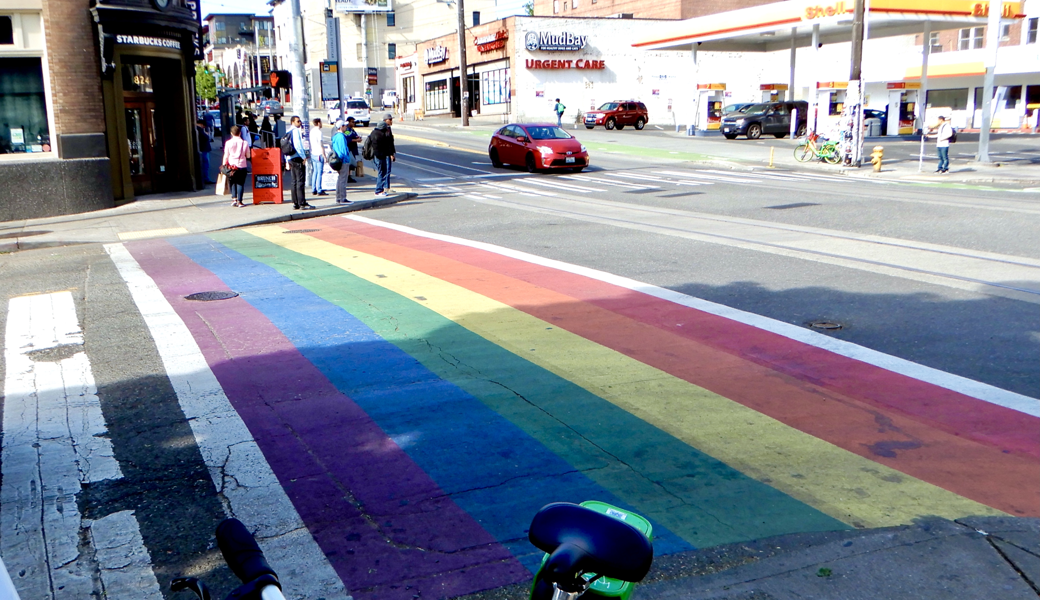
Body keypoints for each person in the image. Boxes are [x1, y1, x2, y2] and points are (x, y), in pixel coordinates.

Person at [284, 115, 314, 209]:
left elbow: (285, 146)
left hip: (291, 158)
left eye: (300, 121)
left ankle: (295, 203)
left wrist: (287, 160)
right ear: (293, 122)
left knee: (294, 181)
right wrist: (303, 157)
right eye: (298, 121)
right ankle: (302, 203)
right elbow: (297, 145)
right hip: (297, 158)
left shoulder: (288, 132)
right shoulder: (295, 131)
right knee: (300, 181)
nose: (300, 122)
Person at [222, 125, 251, 207]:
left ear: (231, 133)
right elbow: (248, 156)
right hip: (241, 165)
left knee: (232, 182)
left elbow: (226, 155)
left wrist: (224, 165)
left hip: (231, 166)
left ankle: (234, 199)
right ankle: (240, 201)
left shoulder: (228, 143)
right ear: (240, 133)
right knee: (240, 183)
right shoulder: (244, 143)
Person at [368, 112, 396, 196]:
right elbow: (388, 144)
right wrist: (391, 154)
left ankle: (383, 188)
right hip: (382, 155)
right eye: (390, 119)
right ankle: (380, 189)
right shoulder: (383, 133)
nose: (391, 121)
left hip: (379, 155)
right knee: (383, 171)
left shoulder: (374, 133)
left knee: (383, 171)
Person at [330, 120, 351, 204]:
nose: (346, 127)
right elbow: (343, 151)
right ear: (341, 127)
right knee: (343, 180)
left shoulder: (335, 137)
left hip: (337, 160)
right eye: (345, 126)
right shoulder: (341, 137)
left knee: (340, 180)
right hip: (343, 161)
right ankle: (342, 198)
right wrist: (346, 160)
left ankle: (338, 198)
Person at [309, 118, 327, 195]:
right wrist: (324, 155)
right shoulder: (319, 132)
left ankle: (313, 189)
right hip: (319, 154)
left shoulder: (311, 131)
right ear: (319, 123)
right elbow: (321, 144)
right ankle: (319, 189)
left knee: (315, 172)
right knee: (319, 172)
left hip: (313, 153)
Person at [343, 117, 361, 183]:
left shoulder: (352, 130)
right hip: (349, 149)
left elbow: (355, 136)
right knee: (350, 163)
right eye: (352, 122)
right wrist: (356, 140)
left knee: (351, 164)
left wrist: (358, 138)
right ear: (348, 122)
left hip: (353, 149)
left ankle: (349, 176)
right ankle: (348, 177)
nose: (354, 123)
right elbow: (347, 139)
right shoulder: (347, 130)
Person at [196, 118, 214, 184]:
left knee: (205, 164)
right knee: (205, 164)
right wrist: (207, 134)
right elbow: (206, 137)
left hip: (203, 149)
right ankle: (206, 179)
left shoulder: (198, 129)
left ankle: (205, 178)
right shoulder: (199, 129)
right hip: (204, 149)